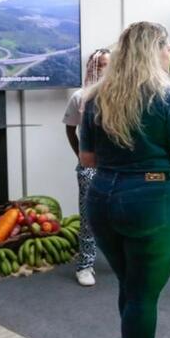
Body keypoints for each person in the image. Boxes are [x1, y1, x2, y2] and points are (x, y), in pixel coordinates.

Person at [79, 22, 170, 338]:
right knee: (143, 295)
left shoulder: (96, 97)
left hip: (102, 197)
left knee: (130, 289)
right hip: (153, 201)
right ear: (157, 50)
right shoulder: (167, 96)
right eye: (169, 49)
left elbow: (87, 159)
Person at [63, 49, 110, 287]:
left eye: (109, 65)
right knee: (89, 216)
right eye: (102, 65)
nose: (106, 69)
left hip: (116, 167)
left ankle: (118, 258)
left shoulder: (118, 95)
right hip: (90, 168)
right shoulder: (80, 97)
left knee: (119, 214)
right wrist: (81, 156)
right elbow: (70, 129)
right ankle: (85, 265)